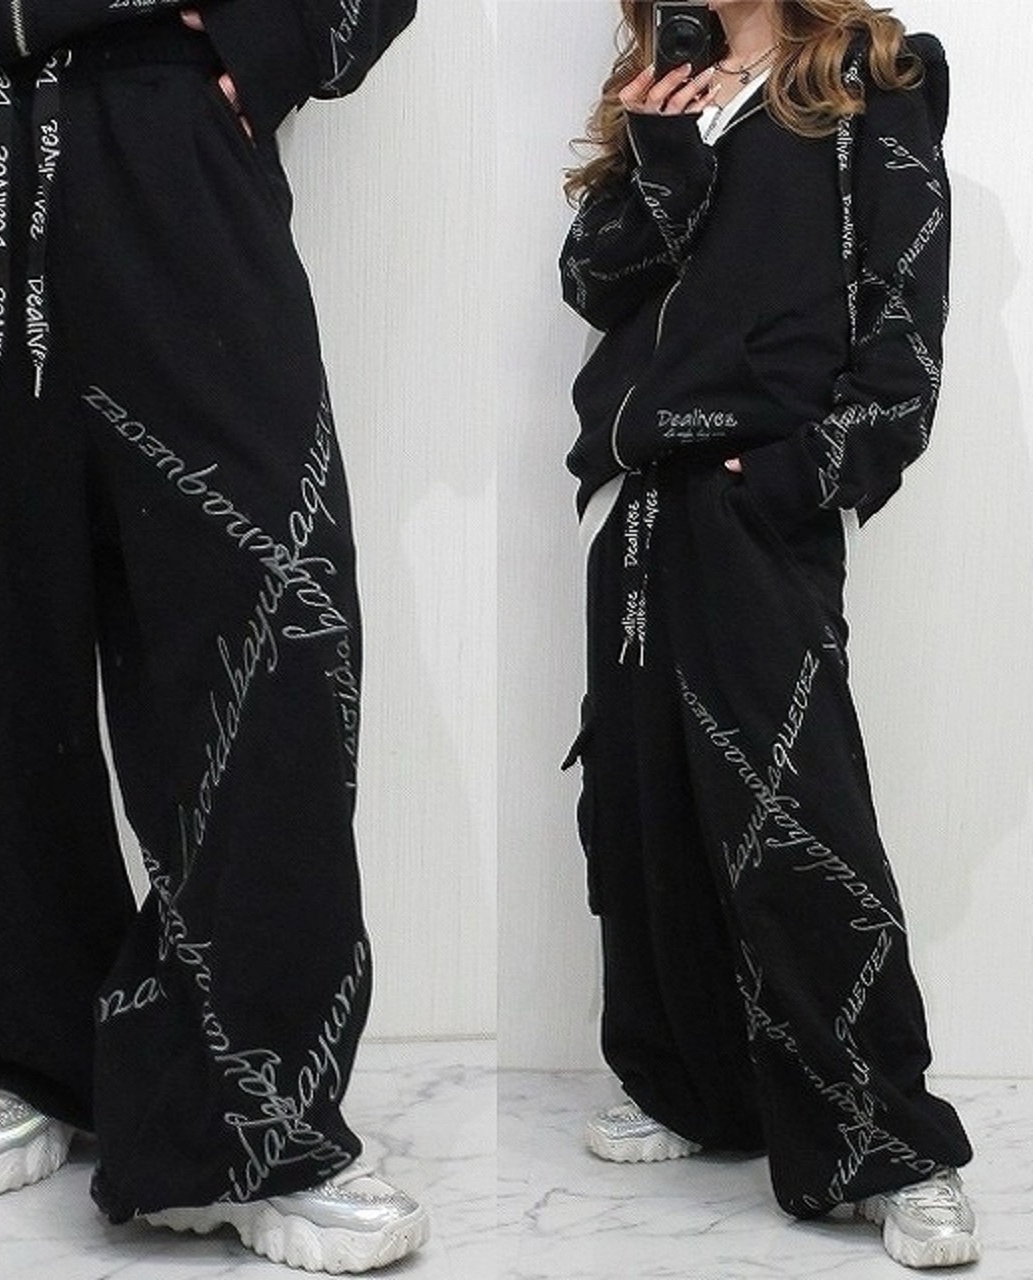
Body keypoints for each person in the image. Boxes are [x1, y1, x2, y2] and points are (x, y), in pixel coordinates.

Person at [0, 0, 427, 1272]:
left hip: (168, 115)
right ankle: (4, 1043)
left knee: (262, 613)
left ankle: (253, 1108)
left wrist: (282, 40)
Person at [559, 0, 977, 1268]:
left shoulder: (867, 74)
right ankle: (694, 1090)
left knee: (794, 819)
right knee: (640, 809)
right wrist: (661, 154)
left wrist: (802, 474)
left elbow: (903, 319)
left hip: (758, 497)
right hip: (639, 495)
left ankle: (892, 1145)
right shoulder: (657, 87)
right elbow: (589, 284)